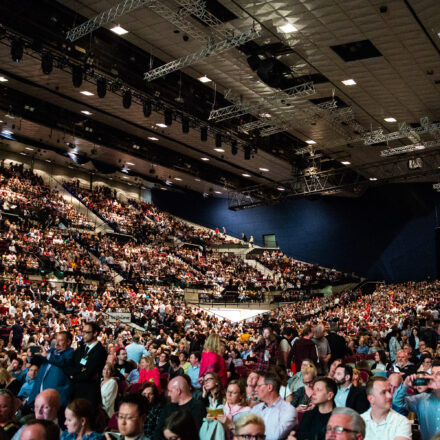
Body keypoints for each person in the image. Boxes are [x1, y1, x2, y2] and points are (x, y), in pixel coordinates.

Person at [392, 360, 440, 440]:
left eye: (438, 374)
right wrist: (405, 385)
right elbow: (397, 401)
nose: (433, 377)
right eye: (432, 373)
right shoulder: (421, 399)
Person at [66, 323, 107, 406]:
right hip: (75, 393)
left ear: (95, 333)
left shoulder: (100, 351)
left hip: (89, 395)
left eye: (86, 332)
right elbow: (69, 366)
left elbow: (88, 374)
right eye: (82, 332)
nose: (83, 334)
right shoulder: (80, 349)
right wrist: (78, 372)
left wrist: (73, 375)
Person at [28, 332, 74, 407]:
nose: (57, 343)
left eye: (60, 340)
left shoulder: (71, 353)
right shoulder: (51, 351)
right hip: (39, 393)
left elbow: (63, 361)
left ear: (68, 342)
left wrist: (48, 355)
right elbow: (38, 361)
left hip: (56, 397)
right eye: (56, 340)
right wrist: (31, 356)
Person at [251, 370, 298, 440]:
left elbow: (275, 437)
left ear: (269, 387)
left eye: (259, 386)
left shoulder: (288, 410)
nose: (255, 389)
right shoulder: (256, 408)